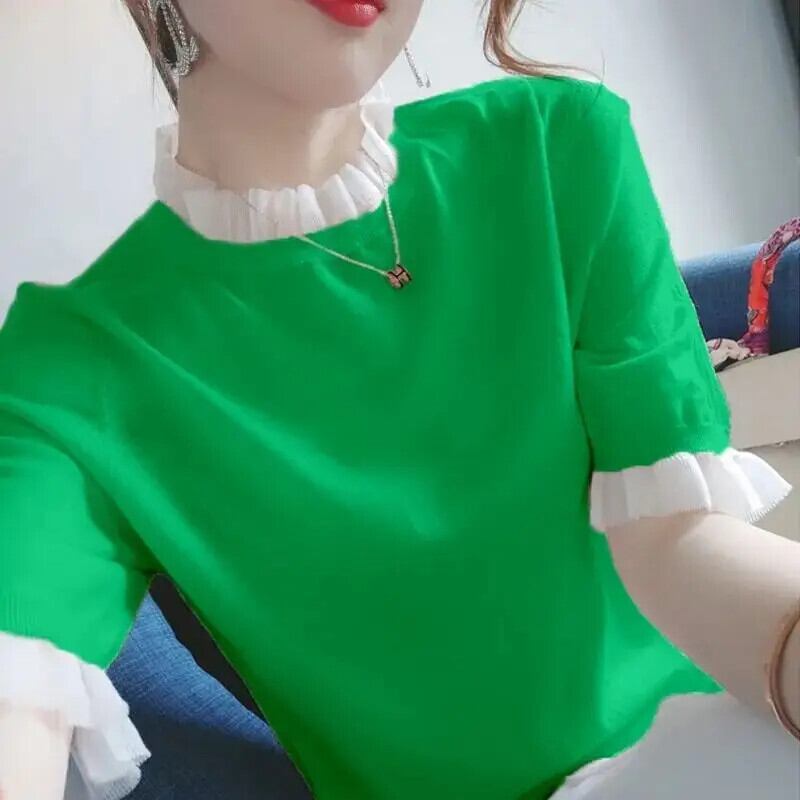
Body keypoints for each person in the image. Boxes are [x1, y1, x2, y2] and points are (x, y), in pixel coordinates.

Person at [0, 2, 798, 799]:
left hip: (727, 741)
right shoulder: (73, 365)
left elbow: (675, 542)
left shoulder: (559, 143)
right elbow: (18, 691)